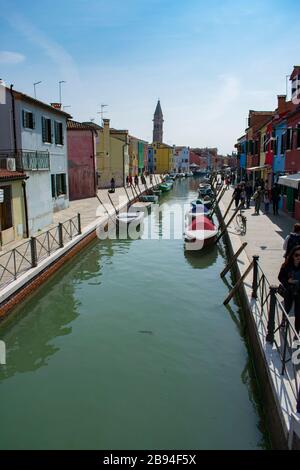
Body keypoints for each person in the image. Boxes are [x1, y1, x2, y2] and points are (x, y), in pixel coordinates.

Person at [278, 245, 300, 335]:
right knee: (287, 309)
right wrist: (288, 282)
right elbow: (280, 277)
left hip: (299, 292)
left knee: (298, 314)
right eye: (296, 255)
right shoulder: (286, 265)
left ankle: (296, 333)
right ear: (292, 255)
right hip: (289, 291)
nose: (299, 257)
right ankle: (283, 323)